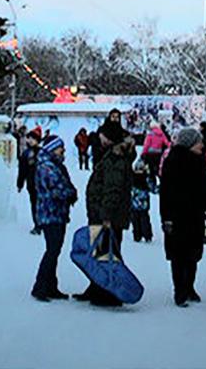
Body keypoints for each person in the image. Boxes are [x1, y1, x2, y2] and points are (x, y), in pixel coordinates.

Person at [75, 122, 136, 307]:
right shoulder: (112, 155)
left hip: (108, 216)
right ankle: (97, 287)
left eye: (102, 135)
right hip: (103, 214)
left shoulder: (115, 159)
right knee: (101, 252)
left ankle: (109, 292)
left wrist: (106, 216)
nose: (99, 138)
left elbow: (112, 190)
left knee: (107, 254)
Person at [159, 127, 206, 308]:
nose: (202, 145)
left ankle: (189, 287)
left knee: (193, 254)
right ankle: (179, 290)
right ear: (190, 143)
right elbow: (165, 193)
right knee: (178, 255)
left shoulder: (200, 162)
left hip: (195, 215)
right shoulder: (173, 162)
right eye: (199, 142)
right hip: (177, 215)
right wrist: (166, 218)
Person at [30, 135, 77, 301]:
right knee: (52, 251)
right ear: (52, 149)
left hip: (56, 213)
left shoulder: (53, 165)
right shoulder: (46, 167)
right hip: (51, 214)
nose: (63, 151)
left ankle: (51, 286)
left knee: (54, 251)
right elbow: (56, 190)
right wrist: (70, 193)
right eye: (60, 148)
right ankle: (40, 287)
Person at [17, 128, 43, 235]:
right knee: (34, 204)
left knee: (42, 204)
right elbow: (22, 170)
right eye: (30, 138)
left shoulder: (42, 152)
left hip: (42, 183)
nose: (31, 140)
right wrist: (20, 183)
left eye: (33, 139)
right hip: (32, 183)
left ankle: (43, 223)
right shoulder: (26, 154)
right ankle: (37, 224)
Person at [141, 121, 170, 191]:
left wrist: (143, 153)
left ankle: (153, 184)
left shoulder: (150, 134)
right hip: (158, 154)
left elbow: (146, 145)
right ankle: (162, 183)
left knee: (151, 170)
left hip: (150, 154)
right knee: (158, 169)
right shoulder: (161, 134)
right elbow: (166, 142)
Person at [130, 160, 153, 243]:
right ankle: (147, 235)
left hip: (134, 202)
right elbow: (152, 187)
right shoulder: (146, 177)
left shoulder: (131, 177)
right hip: (144, 202)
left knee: (135, 219)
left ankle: (137, 235)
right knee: (144, 219)